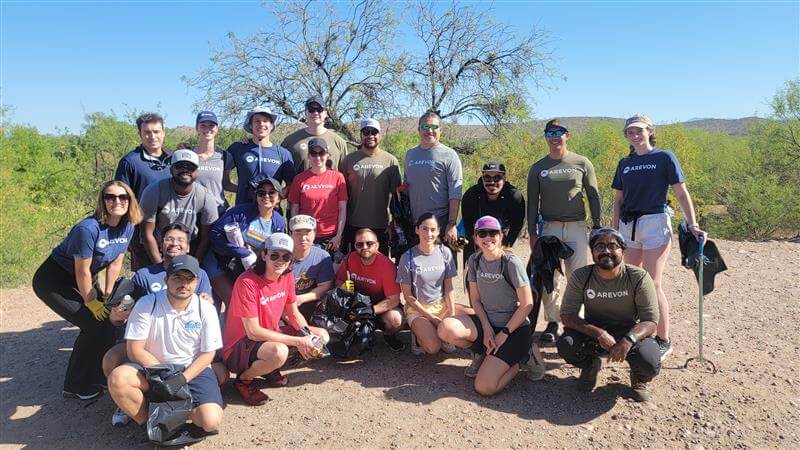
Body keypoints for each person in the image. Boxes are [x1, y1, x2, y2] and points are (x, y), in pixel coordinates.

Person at [32, 180, 141, 400]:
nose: (117, 201)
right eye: (110, 197)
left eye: (123, 197)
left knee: (108, 323)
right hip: (55, 280)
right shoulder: (88, 229)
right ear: (103, 201)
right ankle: (75, 385)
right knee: (94, 325)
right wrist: (91, 301)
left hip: (85, 280)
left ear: (130, 200)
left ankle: (98, 374)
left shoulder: (128, 225)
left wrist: (108, 295)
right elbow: (81, 272)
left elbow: (116, 262)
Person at [611, 114, 707, 361]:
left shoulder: (664, 157)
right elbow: (617, 201)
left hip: (655, 222)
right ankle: (638, 332)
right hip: (628, 224)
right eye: (629, 132)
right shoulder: (624, 163)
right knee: (631, 282)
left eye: (638, 130)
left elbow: (681, 193)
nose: (634, 135)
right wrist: (613, 232)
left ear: (650, 131)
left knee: (652, 283)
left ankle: (664, 339)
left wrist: (692, 223)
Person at [105, 223, 215, 427]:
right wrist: (115, 316)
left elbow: (206, 303)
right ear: (161, 245)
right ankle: (130, 405)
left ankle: (179, 401)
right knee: (111, 360)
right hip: (147, 341)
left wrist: (207, 303)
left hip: (184, 337)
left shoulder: (200, 275)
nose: (175, 244)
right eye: (169, 240)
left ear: (188, 247)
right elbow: (127, 310)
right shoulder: (144, 275)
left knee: (219, 374)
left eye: (180, 240)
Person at [438, 216, 544, 396]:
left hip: (514, 329)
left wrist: (504, 333)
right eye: (482, 233)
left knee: (484, 387)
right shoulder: (474, 260)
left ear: (501, 236)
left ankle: (523, 358)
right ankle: (481, 353)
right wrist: (486, 329)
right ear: (475, 238)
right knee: (446, 329)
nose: (488, 237)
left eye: (493, 232)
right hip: (488, 323)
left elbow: (527, 304)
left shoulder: (510, 262)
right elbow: (476, 300)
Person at [222, 233, 330, 406]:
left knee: (321, 336)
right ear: (264, 255)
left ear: (291, 259)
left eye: (286, 256)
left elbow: (292, 314)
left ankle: (269, 368)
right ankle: (244, 379)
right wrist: (299, 341)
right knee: (279, 352)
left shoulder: (286, 276)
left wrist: (308, 336)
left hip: (269, 336)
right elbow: (253, 331)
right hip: (239, 345)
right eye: (274, 255)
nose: (280, 261)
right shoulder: (247, 282)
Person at [556, 228, 661, 402]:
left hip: (628, 331)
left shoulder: (638, 277)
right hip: (593, 331)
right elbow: (567, 315)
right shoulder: (581, 276)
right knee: (566, 344)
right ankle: (590, 366)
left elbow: (650, 321)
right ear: (592, 252)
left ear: (622, 250)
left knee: (649, 361)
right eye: (600, 246)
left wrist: (628, 340)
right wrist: (599, 334)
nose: (606, 251)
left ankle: (639, 377)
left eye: (612, 246)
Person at [527, 119, 602, 344]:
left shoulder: (581, 162)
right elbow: (532, 203)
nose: (555, 136)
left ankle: (576, 321)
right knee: (550, 276)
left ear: (567, 135)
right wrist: (532, 233)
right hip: (550, 227)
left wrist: (597, 226)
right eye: (550, 133)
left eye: (559, 132)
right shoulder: (539, 167)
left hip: (577, 226)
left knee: (577, 275)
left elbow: (593, 194)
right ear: (546, 137)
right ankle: (552, 321)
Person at [208, 177, 287, 305]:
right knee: (232, 301)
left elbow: (277, 250)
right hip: (223, 261)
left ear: (279, 197)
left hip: (251, 267)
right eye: (261, 192)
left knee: (249, 303)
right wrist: (240, 251)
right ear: (256, 196)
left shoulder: (278, 222)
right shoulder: (240, 212)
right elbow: (214, 233)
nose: (266, 196)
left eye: (271, 192)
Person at [139, 149, 219, 267]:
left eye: (191, 167)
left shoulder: (206, 197)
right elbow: (146, 234)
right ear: (171, 169)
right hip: (158, 247)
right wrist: (160, 266)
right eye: (180, 166)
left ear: (197, 171)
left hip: (190, 248)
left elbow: (206, 237)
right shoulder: (154, 191)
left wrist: (194, 264)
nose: (185, 170)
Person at [396, 213, 463, 355]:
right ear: (417, 230)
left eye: (433, 229)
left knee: (470, 317)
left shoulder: (445, 253)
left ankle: (441, 333)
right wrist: (432, 319)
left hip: (441, 306)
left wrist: (451, 315)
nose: (429, 234)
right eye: (424, 229)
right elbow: (408, 298)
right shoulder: (407, 258)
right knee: (433, 348)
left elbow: (449, 288)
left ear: (439, 231)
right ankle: (418, 336)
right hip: (418, 309)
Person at [114, 112, 171, 270]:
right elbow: (120, 200)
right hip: (142, 235)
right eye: (147, 132)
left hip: (173, 232)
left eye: (156, 131)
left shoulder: (173, 159)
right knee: (147, 279)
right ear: (140, 134)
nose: (152, 136)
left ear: (163, 132)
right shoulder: (130, 162)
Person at [339, 118, 401, 255]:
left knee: (379, 267)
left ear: (380, 135)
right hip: (353, 224)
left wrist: (393, 224)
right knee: (353, 266)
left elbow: (397, 198)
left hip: (380, 225)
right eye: (366, 132)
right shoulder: (348, 160)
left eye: (374, 132)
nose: (370, 136)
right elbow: (341, 194)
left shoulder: (390, 161)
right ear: (361, 135)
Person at [335, 228, 405, 351]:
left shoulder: (387, 266)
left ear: (377, 245)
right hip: (356, 304)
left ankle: (388, 335)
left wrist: (369, 310)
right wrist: (343, 287)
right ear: (355, 246)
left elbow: (393, 300)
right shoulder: (350, 259)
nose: (365, 247)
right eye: (359, 244)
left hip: (380, 306)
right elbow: (339, 282)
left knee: (395, 319)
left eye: (370, 243)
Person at [403, 111, 463, 246]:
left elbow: (455, 191)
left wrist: (451, 223)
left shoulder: (449, 155)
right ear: (419, 130)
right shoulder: (410, 154)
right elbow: (406, 187)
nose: (430, 131)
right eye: (425, 127)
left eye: (434, 127)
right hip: (415, 223)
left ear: (440, 130)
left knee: (444, 265)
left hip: (440, 222)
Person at [461, 161, 525, 268]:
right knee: (471, 273)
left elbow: (517, 225)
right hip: (476, 237)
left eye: (497, 178)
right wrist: (478, 246)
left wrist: (506, 247)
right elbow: (468, 224)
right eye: (487, 178)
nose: (492, 182)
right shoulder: (471, 195)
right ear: (482, 178)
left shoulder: (514, 196)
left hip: (502, 236)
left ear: (504, 179)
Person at [288, 138, 348, 251]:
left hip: (330, 235)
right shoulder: (299, 179)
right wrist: (294, 233)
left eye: (321, 153)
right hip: (306, 234)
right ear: (309, 156)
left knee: (329, 268)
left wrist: (338, 235)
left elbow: (342, 209)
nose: (318, 157)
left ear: (327, 155)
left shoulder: (338, 177)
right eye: (314, 154)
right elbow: (294, 209)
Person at [227, 107, 295, 205]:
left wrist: (275, 198)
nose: (261, 124)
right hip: (243, 212)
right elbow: (222, 178)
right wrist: (242, 190)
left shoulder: (283, 153)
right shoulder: (238, 148)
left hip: (271, 214)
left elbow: (291, 185)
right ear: (250, 125)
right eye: (257, 121)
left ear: (272, 126)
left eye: (265, 121)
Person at [281, 96, 349, 173]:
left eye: (319, 109)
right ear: (305, 113)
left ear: (325, 113)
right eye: (311, 109)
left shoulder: (339, 142)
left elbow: (345, 174)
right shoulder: (290, 141)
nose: (315, 113)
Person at [289, 215, 335, 320]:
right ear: (290, 234)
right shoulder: (281, 256)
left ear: (314, 234)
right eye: (298, 233)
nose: (303, 238)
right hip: (282, 301)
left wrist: (301, 299)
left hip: (308, 301)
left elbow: (325, 286)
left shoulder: (322, 256)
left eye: (307, 233)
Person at [192, 111, 237, 216]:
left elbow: (225, 184)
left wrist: (248, 191)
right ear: (197, 128)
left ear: (217, 129)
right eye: (203, 125)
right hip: (193, 212)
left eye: (211, 125)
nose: (207, 129)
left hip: (218, 212)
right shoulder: (188, 155)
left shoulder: (225, 156)